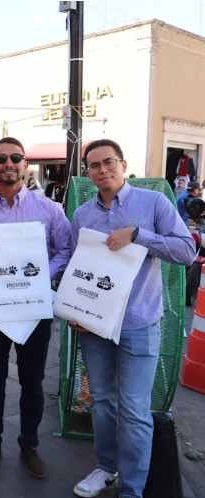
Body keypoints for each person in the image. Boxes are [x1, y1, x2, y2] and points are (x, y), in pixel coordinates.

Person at [69, 139, 195, 498]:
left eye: (109, 162)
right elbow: (80, 268)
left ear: (123, 165)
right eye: (94, 165)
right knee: (102, 401)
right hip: (94, 325)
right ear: (88, 173)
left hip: (139, 323)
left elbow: (187, 250)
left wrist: (139, 235)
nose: (102, 170)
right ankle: (106, 468)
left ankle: (132, 488)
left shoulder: (153, 203)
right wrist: (76, 310)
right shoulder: (83, 215)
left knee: (135, 410)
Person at [0, 136, 72, 479]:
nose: (8, 164)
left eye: (15, 158)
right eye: (1, 158)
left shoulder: (49, 210)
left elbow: (66, 250)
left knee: (32, 381)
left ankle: (29, 445)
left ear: (25, 164)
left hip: (33, 309)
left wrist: (42, 276)